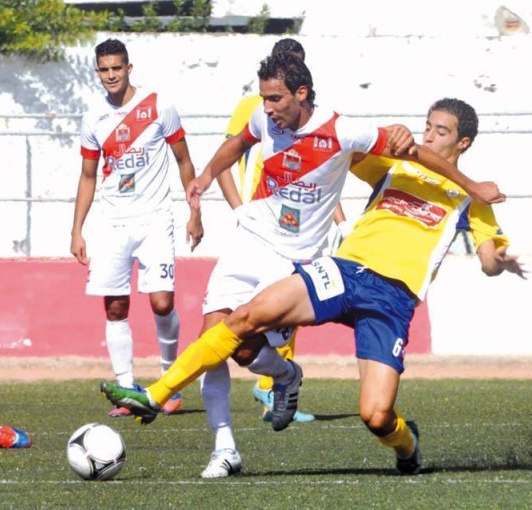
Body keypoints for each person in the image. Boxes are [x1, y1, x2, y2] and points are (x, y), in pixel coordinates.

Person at [102, 53, 506, 478]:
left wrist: (492, 245)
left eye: (441, 131)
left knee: (375, 415)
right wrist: (204, 179)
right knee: (238, 323)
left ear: (463, 143)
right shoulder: (393, 169)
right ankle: (163, 400)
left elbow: (487, 256)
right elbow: (398, 152)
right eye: (427, 126)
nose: (429, 135)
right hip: (343, 270)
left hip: (391, 295)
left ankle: (406, 445)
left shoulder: (467, 200)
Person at [70, 38, 204, 418]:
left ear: (129, 69)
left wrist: (195, 212)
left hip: (155, 219)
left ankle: (169, 383)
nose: (111, 75)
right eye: (104, 69)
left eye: (117, 68)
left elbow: (184, 161)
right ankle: (127, 390)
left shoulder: (159, 106)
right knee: (115, 307)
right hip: (112, 223)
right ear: (97, 72)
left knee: (162, 302)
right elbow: (87, 176)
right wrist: (77, 230)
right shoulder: (93, 118)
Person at [216, 37, 319, 425]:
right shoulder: (254, 107)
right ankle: (270, 380)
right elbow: (226, 157)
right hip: (260, 223)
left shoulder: (306, 113)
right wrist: (239, 210)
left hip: (296, 225)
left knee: (289, 308)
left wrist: (338, 221)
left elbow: (315, 174)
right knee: (250, 313)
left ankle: (274, 383)